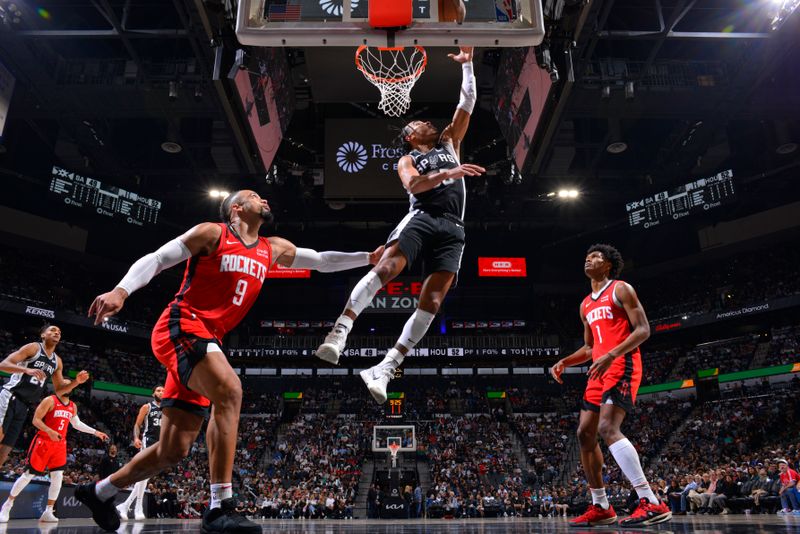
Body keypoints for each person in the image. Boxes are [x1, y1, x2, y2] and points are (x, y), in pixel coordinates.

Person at [77, 190, 383, 533]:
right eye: (254, 196)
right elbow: (159, 258)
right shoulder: (212, 233)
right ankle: (219, 505)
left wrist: (368, 258)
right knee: (230, 390)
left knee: (173, 450)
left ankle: (99, 492)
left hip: (206, 339)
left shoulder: (273, 247)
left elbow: (322, 260)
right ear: (236, 208)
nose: (265, 198)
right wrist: (122, 290)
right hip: (182, 325)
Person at [316, 44, 486, 404]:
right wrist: (447, 173)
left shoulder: (450, 141)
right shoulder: (407, 159)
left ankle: (387, 366)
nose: (426, 121)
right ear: (410, 136)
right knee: (388, 266)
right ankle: (340, 332)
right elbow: (414, 186)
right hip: (422, 216)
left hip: (454, 227)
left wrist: (468, 67)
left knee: (434, 300)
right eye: (418, 123)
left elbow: (467, 102)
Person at [550, 244, 671, 527]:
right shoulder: (585, 304)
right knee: (584, 433)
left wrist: (612, 354)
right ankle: (602, 506)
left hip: (622, 362)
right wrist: (566, 361)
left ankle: (651, 501)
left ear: (608, 265)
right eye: (586, 257)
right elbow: (591, 347)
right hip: (599, 367)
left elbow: (643, 330)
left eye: (595, 257)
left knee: (607, 428)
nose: (588, 260)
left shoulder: (621, 289)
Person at [0, 387, 108, 523]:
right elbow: (36, 420)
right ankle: (8, 505)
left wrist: (96, 432)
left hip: (59, 445)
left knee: (58, 476)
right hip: (43, 442)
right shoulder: (50, 400)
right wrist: (49, 430)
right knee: (28, 474)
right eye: (66, 385)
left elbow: (76, 424)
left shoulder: (72, 406)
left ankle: (48, 511)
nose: (69, 387)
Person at [0, 325, 89, 468]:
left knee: (6, 448)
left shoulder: (57, 361)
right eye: (53, 330)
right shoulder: (33, 348)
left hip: (25, 406)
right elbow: (3, 365)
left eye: (59, 332)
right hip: (10, 397)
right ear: (43, 335)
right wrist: (26, 370)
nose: (57, 333)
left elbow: (60, 390)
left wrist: (76, 382)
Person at [117, 384, 164, 521]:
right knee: (144, 474)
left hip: (160, 443)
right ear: (153, 393)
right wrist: (136, 438)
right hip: (148, 441)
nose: (161, 392)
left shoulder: (168, 408)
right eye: (158, 390)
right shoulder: (147, 407)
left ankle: (125, 506)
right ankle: (138, 507)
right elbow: (137, 424)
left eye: (163, 391)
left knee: (146, 475)